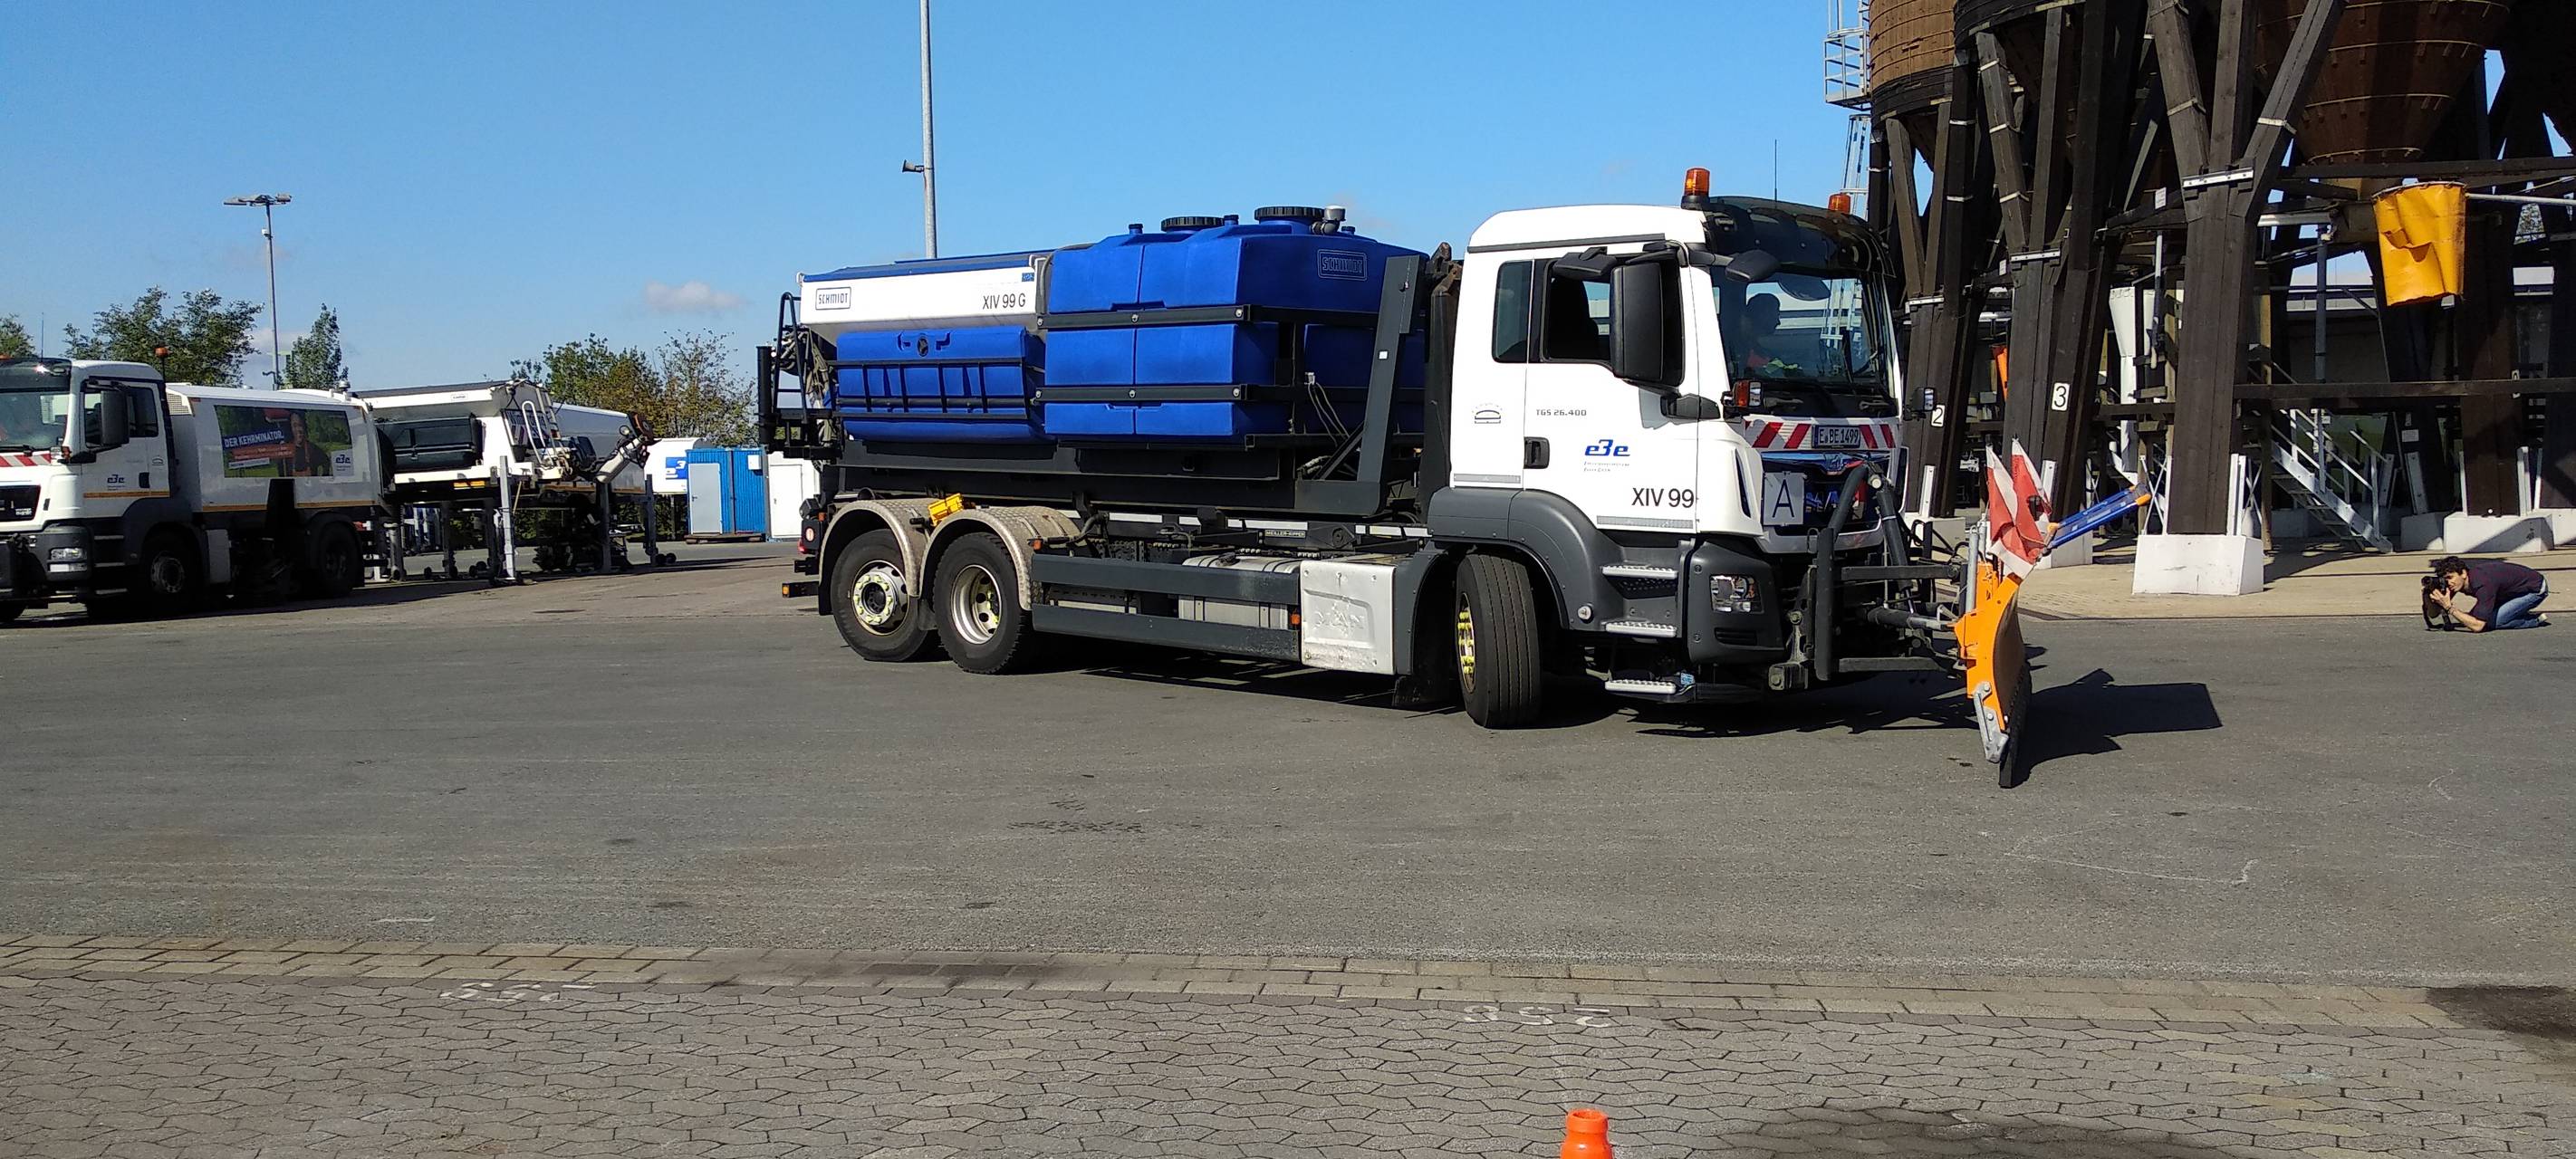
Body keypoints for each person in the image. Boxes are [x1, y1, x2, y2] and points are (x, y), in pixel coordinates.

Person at [2427, 555, 2550, 631]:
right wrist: (2430, 596)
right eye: (2445, 579)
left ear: (2463, 574)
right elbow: (2433, 614)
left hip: (2534, 589)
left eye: (2450, 577)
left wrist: (2449, 608)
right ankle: (2513, 611)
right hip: (2507, 592)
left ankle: (2534, 620)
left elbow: (2478, 626)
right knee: (2470, 618)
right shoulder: (2460, 582)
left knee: (2493, 622)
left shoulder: (2483, 584)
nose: (2448, 583)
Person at [284, 411, 334, 477]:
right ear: (290, 428)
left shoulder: (312, 449)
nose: (299, 430)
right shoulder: (286, 451)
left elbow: (326, 462)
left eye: (300, 425)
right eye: (295, 426)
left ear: (305, 427)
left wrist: (322, 479)